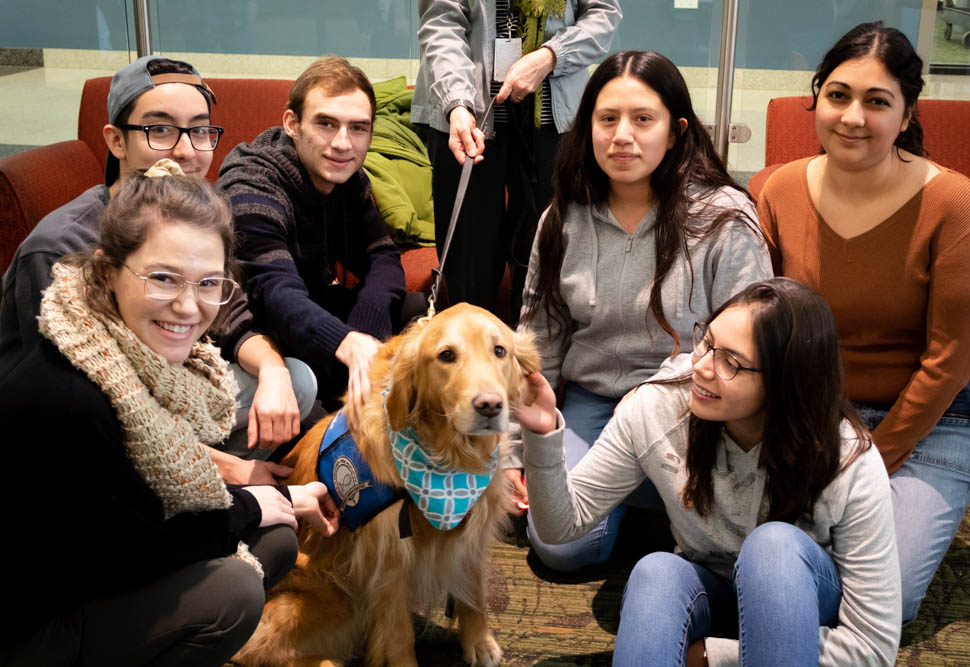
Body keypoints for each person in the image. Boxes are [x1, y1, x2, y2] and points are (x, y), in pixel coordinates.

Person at [0, 175, 338, 666]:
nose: (188, 306)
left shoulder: (126, 359)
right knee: (236, 589)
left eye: (208, 284)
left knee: (275, 537)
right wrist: (251, 506)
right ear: (108, 272)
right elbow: (128, 550)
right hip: (27, 625)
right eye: (163, 277)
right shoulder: (73, 394)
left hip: (88, 566)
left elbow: (139, 514)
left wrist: (275, 500)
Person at [518, 278, 901, 666]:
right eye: (706, 341)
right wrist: (542, 432)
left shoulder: (848, 458)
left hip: (800, 615)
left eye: (730, 362)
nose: (700, 367)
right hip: (714, 592)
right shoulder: (660, 405)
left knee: (773, 548)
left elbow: (871, 649)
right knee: (657, 573)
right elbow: (560, 526)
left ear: (786, 384)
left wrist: (715, 656)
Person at [756, 21, 970, 625]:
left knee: (890, 599)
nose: (852, 117)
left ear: (908, 111)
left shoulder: (954, 203)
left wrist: (868, 460)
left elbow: (950, 361)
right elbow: (763, 324)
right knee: (752, 549)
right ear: (818, 97)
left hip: (928, 424)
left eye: (877, 101)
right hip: (814, 413)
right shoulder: (779, 190)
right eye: (838, 95)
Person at [507, 50, 772, 571]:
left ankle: (638, 492)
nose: (621, 135)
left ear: (674, 132)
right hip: (597, 404)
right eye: (607, 119)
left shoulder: (724, 219)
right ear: (588, 128)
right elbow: (535, 343)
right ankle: (641, 495)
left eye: (642, 119)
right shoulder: (562, 220)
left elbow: (753, 348)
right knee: (560, 547)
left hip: (692, 408)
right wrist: (517, 454)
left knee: (737, 536)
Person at [0, 55, 316, 484]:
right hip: (84, 422)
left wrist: (274, 372)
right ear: (115, 141)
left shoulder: (194, 215)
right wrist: (238, 472)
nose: (186, 151)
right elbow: (82, 403)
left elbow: (230, 317)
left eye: (200, 130)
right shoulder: (61, 248)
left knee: (296, 380)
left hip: (166, 378)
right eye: (160, 130)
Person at [217, 56, 407, 423]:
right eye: (326, 123)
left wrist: (365, 332)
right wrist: (348, 344)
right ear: (292, 123)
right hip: (252, 333)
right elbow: (274, 291)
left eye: (358, 128)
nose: (342, 143)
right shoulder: (252, 183)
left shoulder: (346, 179)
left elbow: (382, 257)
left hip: (308, 312)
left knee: (414, 313)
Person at [411, 0, 622, 319]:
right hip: (467, 114)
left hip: (553, 118)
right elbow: (442, 22)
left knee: (547, 247)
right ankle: (472, 354)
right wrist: (456, 103)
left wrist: (552, 56)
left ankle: (536, 355)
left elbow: (603, 14)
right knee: (469, 256)